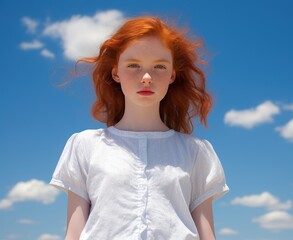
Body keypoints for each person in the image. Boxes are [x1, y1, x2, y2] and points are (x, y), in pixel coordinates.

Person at [50, 16, 229, 240]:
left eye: (159, 66)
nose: (146, 77)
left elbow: (207, 235)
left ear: (172, 75)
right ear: (116, 73)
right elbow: (73, 234)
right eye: (133, 65)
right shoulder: (84, 145)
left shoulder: (197, 152)